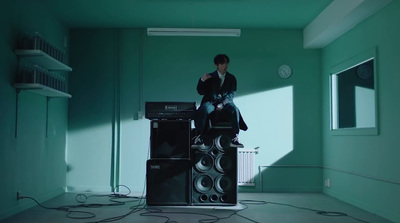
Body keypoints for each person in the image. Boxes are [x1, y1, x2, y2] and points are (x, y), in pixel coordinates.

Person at [192, 54, 247, 149]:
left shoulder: (232, 78)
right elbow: (200, 92)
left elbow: (232, 94)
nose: (224, 66)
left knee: (235, 110)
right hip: (210, 102)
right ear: (216, 65)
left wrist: (222, 104)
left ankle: (235, 138)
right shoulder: (210, 77)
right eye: (222, 64)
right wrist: (202, 80)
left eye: (226, 64)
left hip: (225, 102)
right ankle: (199, 137)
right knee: (203, 110)